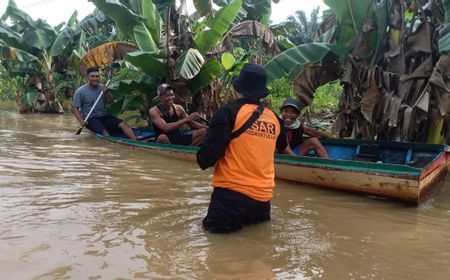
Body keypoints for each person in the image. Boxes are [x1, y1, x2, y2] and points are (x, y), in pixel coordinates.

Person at [197, 63, 295, 234]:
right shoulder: (274, 119)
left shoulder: (228, 112)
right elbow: (281, 147)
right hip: (262, 202)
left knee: (217, 249)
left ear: (237, 88)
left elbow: (208, 157)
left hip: (230, 198)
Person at [72, 67, 139, 139]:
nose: (95, 78)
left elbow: (111, 102)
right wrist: (81, 121)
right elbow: (75, 108)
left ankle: (136, 142)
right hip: (90, 119)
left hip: (104, 116)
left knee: (123, 124)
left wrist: (107, 92)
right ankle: (112, 146)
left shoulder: (103, 87)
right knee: (104, 131)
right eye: (92, 76)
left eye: (97, 76)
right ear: (87, 77)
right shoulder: (80, 91)